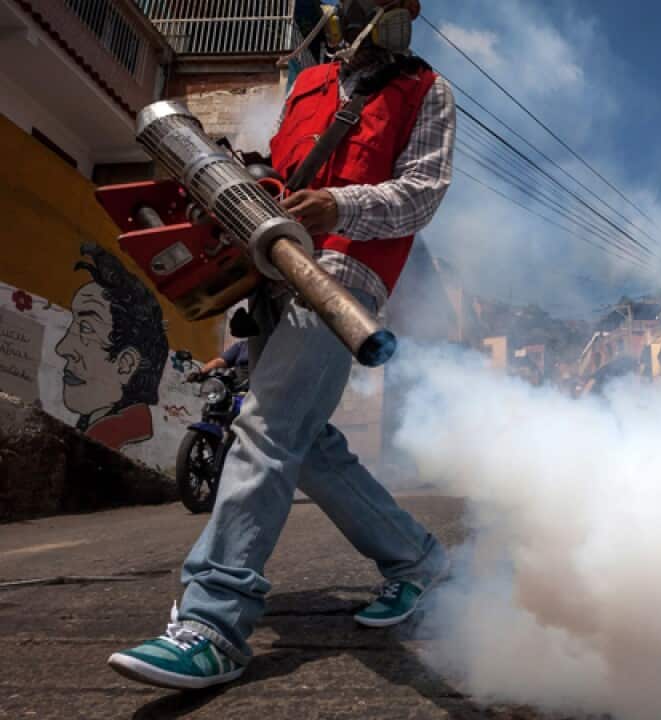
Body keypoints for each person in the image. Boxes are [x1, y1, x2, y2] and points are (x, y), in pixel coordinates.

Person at [108, 0, 455, 690]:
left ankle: (213, 622)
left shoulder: (428, 89)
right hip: (269, 271)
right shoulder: (307, 83)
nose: (384, 12)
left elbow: (424, 193)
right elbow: (283, 168)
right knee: (309, 445)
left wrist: (341, 207)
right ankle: (420, 563)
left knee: (265, 431)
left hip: (345, 273)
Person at [55, 243, 169, 450]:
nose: (62, 348)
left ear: (125, 364)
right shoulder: (96, 427)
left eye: (86, 328)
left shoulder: (118, 440)